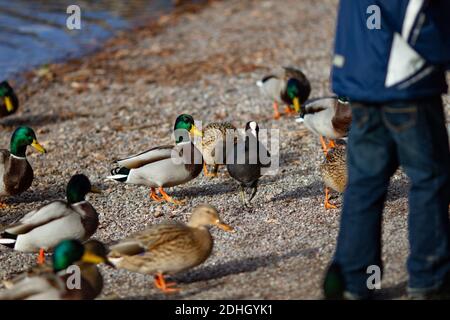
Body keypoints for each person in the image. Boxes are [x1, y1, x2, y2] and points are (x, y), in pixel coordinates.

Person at [323, 0, 450, 299]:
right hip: (403, 85)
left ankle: (353, 281)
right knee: (429, 177)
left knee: (365, 182)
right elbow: (414, 18)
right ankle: (429, 278)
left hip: (361, 80)